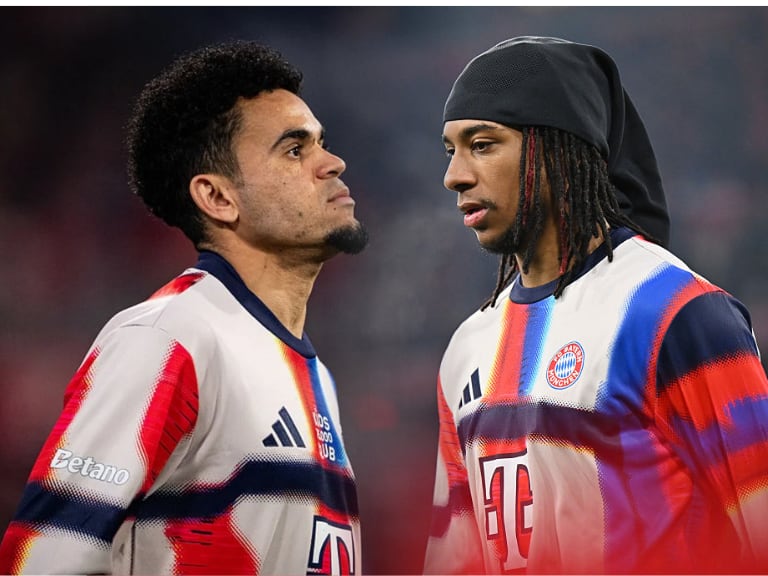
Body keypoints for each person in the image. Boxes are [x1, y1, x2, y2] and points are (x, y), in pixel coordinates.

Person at [0, 41, 367, 575]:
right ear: (218, 198)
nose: (332, 163)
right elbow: (44, 559)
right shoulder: (169, 337)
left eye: (321, 143)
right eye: (294, 149)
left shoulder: (314, 375)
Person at [423, 36, 768, 574]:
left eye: (483, 144)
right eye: (451, 151)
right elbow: (455, 557)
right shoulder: (466, 348)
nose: (455, 176)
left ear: (558, 147)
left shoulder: (677, 314)